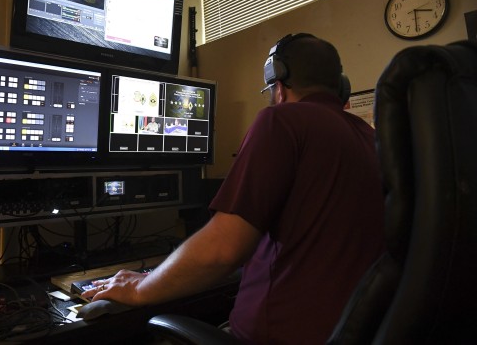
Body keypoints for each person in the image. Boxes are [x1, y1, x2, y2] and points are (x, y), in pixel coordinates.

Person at [82, 34, 385, 344]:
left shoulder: (282, 120)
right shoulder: (370, 138)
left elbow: (223, 250)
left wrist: (138, 287)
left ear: (277, 82)